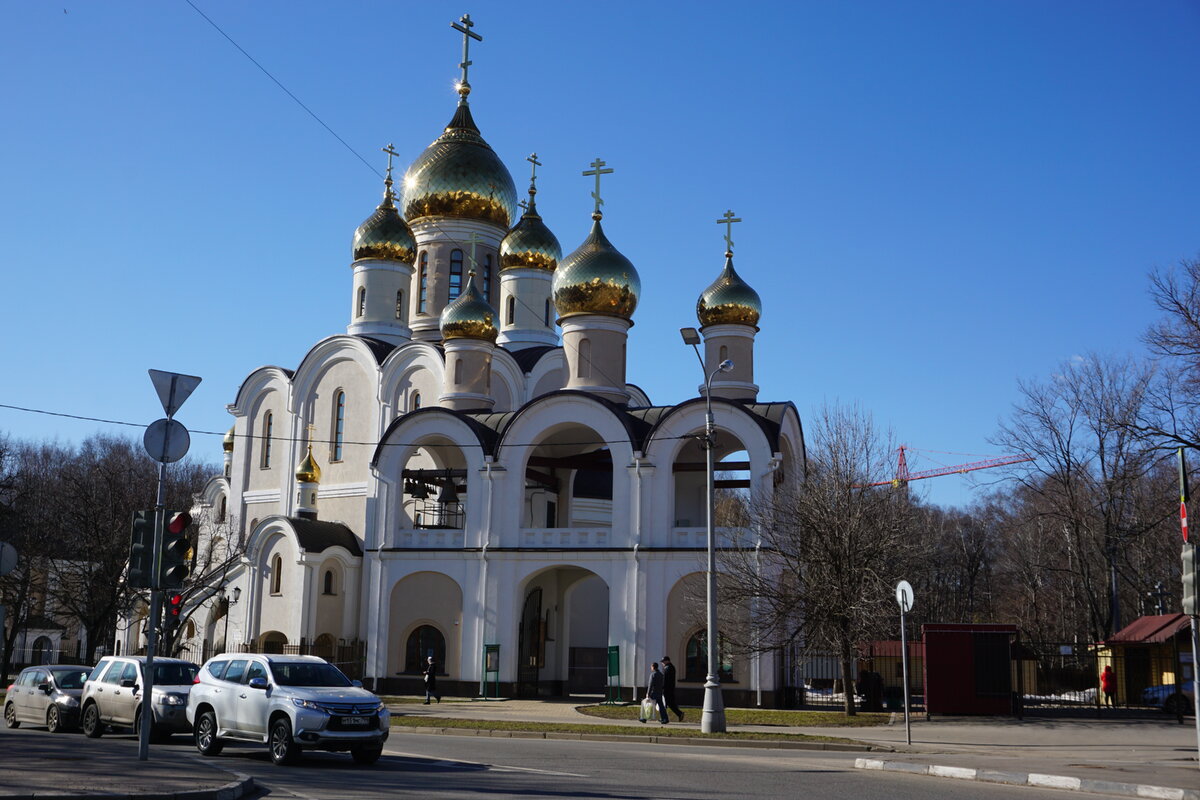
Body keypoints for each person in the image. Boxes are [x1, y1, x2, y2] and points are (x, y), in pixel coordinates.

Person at [661, 655, 683, 721]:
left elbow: (665, 679)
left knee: (666, 703)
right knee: (670, 703)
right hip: (670, 688)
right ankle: (678, 714)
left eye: (663, 661)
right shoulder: (671, 667)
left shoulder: (667, 668)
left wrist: (662, 687)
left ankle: (665, 718)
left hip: (667, 689)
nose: (662, 663)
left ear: (667, 661)